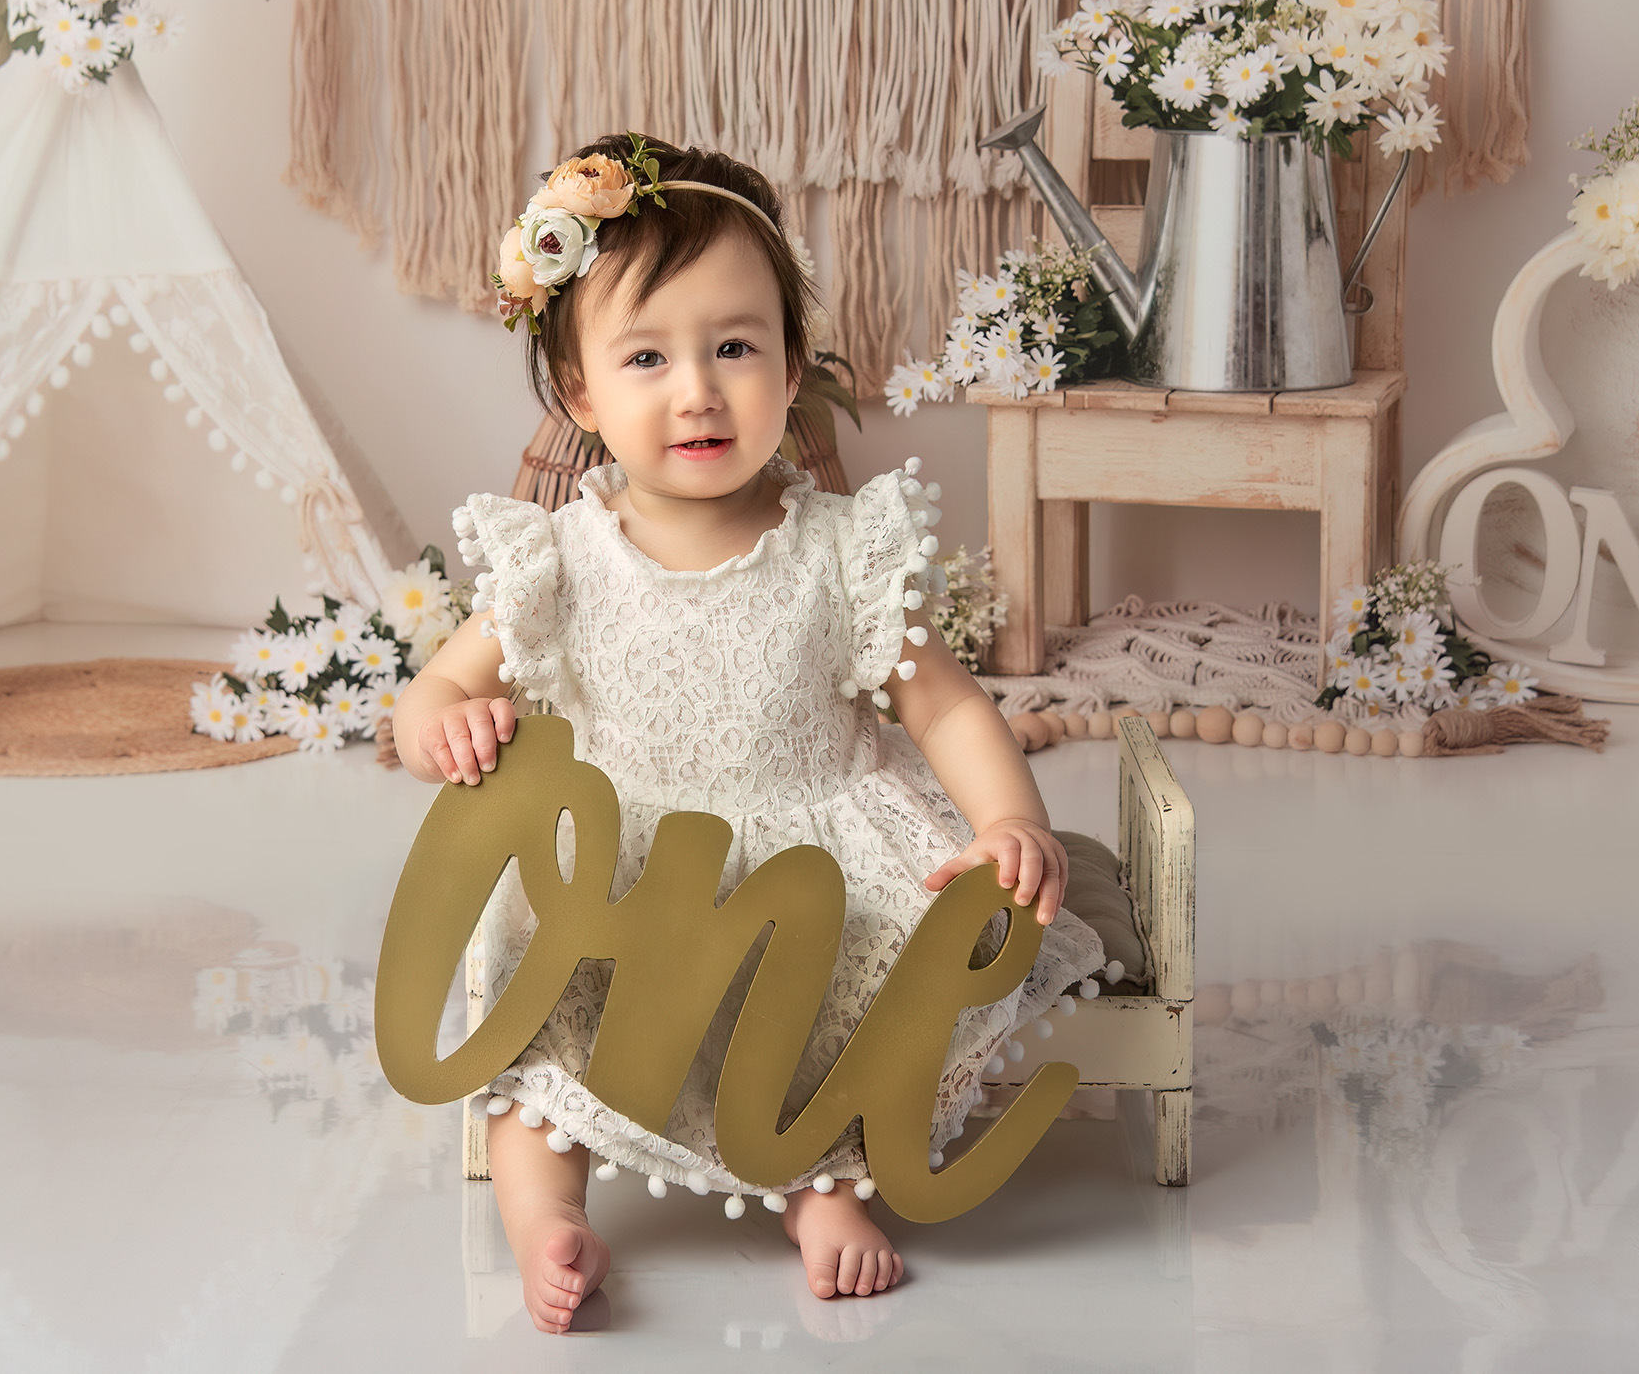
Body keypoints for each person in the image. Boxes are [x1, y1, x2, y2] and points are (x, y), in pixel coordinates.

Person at [391, 133, 1105, 1333]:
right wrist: (445, 723)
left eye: (735, 347)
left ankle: (820, 1185)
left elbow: (937, 703)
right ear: (580, 394)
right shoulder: (557, 555)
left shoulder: (836, 547)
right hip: (625, 875)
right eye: (647, 357)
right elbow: (431, 690)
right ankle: (546, 1219)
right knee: (539, 1048)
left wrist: (1007, 820)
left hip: (810, 865)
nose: (698, 390)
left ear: (791, 363)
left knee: (845, 1006)